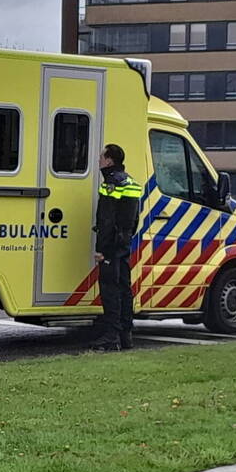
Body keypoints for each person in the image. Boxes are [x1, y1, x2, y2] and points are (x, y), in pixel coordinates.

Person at [90, 144, 141, 352]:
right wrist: (125, 239)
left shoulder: (111, 184)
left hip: (111, 246)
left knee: (110, 290)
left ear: (110, 160)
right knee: (124, 289)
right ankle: (126, 335)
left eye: (102, 157)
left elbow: (106, 219)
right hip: (124, 244)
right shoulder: (131, 182)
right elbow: (134, 218)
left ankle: (111, 337)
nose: (99, 160)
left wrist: (102, 249)